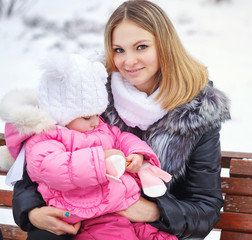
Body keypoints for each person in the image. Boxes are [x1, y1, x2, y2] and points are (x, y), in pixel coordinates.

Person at [6, 0, 230, 239]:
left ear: (164, 46)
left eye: (141, 47)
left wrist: (154, 211)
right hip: (80, 219)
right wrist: (31, 212)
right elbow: (37, 159)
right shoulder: (88, 94)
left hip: (150, 230)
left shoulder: (197, 111)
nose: (128, 61)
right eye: (119, 50)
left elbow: (205, 206)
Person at [0, 53, 175, 240]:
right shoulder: (46, 138)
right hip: (84, 209)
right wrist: (102, 161)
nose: (95, 122)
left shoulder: (97, 126)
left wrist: (137, 153)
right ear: (61, 113)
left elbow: (121, 138)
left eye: (97, 114)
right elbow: (50, 166)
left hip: (118, 204)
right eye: (86, 117)